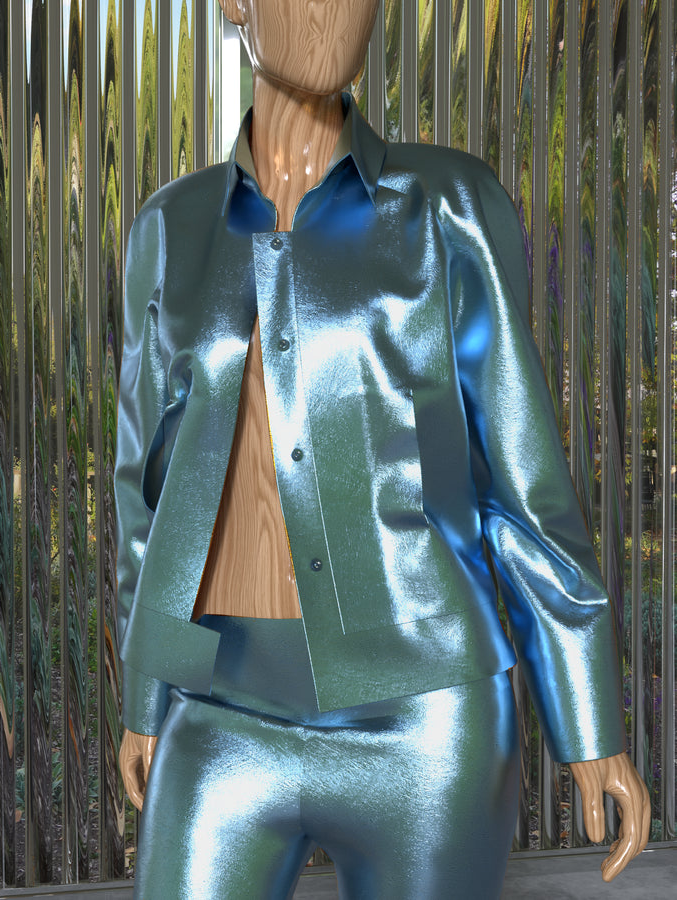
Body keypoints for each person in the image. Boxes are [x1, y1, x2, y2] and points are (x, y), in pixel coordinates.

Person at [115, 0, 651, 896]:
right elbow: (146, 489)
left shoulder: (452, 207)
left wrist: (588, 722)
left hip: (425, 720)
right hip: (219, 712)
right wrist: (146, 695)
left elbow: (522, 480)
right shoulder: (170, 229)